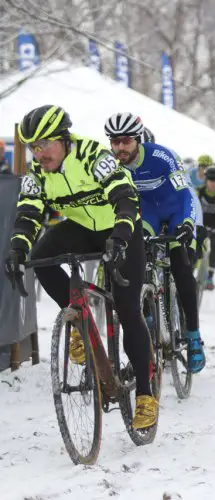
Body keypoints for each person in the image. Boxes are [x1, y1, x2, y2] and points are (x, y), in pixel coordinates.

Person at [4, 105, 157, 429]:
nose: (38, 152)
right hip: (82, 229)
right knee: (42, 258)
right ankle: (78, 321)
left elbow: (124, 196)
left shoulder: (91, 155)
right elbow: (29, 212)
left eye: (44, 143)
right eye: (33, 146)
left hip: (121, 228)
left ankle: (145, 394)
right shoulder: (39, 171)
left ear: (63, 139)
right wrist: (17, 248)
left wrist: (121, 234)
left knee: (127, 310)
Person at [104, 112, 205, 373]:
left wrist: (187, 223)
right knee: (140, 255)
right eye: (114, 142)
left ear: (137, 139)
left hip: (173, 210)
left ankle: (193, 335)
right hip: (145, 213)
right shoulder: (112, 164)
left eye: (125, 141)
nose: (119, 148)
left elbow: (185, 194)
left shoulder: (162, 156)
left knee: (180, 264)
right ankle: (147, 318)